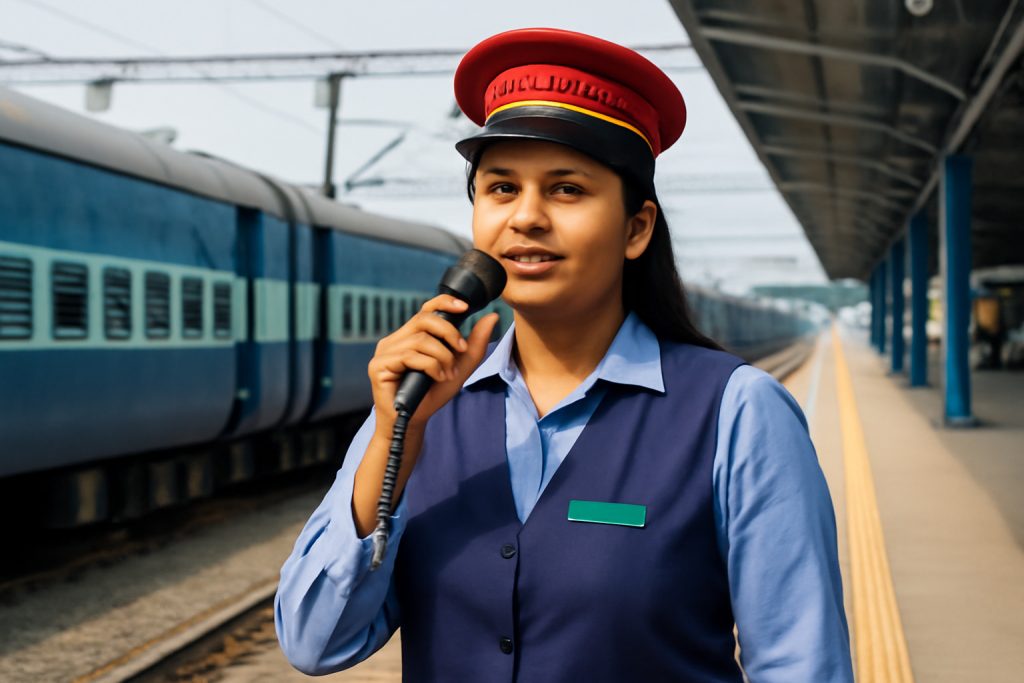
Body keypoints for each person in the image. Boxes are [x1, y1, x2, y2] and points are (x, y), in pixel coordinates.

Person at [275, 27, 853, 682]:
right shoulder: (418, 405)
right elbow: (314, 642)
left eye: (566, 189)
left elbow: (801, 664)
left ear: (636, 228)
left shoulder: (739, 411)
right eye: (500, 189)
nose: (525, 217)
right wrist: (392, 446)